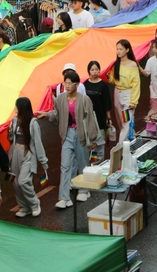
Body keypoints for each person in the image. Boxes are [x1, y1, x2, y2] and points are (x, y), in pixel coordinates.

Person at [37, 70, 98, 209]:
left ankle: (84, 189)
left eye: (70, 83)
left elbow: (90, 119)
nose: (67, 86)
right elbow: (56, 115)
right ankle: (64, 197)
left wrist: (93, 138)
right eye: (66, 83)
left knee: (83, 162)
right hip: (67, 134)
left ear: (76, 85)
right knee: (65, 165)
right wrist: (46, 115)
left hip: (81, 133)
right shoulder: (60, 99)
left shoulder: (84, 99)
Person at [7, 98, 48, 217]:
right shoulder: (14, 120)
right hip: (15, 153)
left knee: (23, 181)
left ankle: (34, 204)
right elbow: (10, 139)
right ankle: (23, 207)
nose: (14, 108)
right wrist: (9, 132)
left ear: (21, 107)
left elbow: (38, 143)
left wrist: (43, 161)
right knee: (14, 181)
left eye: (16, 106)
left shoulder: (33, 122)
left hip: (27, 153)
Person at [107, 39, 140, 142]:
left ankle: (120, 147)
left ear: (127, 50)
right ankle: (132, 141)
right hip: (117, 94)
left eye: (121, 49)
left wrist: (133, 101)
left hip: (128, 95)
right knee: (122, 122)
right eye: (117, 49)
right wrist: (110, 77)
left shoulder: (133, 65)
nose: (118, 51)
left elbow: (136, 84)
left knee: (126, 122)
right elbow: (114, 81)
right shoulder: (116, 64)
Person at [84, 61, 113, 162]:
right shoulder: (85, 84)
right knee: (90, 144)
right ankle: (92, 164)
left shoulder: (103, 85)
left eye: (96, 69)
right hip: (88, 118)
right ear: (89, 71)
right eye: (92, 70)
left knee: (99, 142)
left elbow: (107, 103)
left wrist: (109, 118)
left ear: (100, 70)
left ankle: (99, 163)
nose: (95, 72)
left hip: (100, 118)